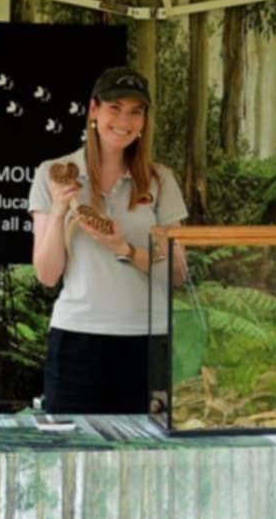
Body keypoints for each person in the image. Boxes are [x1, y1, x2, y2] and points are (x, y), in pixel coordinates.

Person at [27, 66, 187, 414]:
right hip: (76, 341)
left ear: (144, 121)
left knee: (149, 460)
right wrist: (57, 210)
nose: (124, 121)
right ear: (93, 110)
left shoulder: (161, 181)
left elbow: (176, 273)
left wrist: (124, 249)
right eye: (114, 108)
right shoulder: (51, 174)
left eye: (135, 112)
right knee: (70, 457)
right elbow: (47, 274)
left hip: (149, 341)